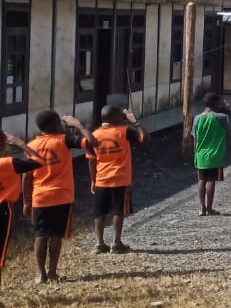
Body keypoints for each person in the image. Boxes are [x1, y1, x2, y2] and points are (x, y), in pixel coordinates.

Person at [23, 110, 96, 284]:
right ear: (56, 124)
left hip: (40, 197)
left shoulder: (31, 146)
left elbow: (27, 176)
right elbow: (93, 142)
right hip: (62, 196)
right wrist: (77, 124)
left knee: (41, 235)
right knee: (56, 235)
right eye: (61, 122)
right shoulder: (65, 141)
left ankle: (41, 275)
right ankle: (53, 273)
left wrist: (26, 201)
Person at [85, 105, 147, 254]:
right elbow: (144, 138)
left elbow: (91, 160)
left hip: (101, 179)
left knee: (99, 212)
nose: (122, 118)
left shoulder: (94, 135)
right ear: (115, 118)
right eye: (121, 116)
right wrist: (134, 121)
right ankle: (116, 243)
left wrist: (93, 179)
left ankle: (99, 243)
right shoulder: (124, 132)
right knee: (118, 211)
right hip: (120, 179)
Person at [0, 132, 42, 286]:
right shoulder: (8, 163)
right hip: (3, 209)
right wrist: (20, 143)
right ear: (3, 144)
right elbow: (39, 160)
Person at [193, 93, 231, 217]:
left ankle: (202, 208)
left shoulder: (197, 118)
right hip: (215, 155)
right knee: (211, 180)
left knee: (201, 180)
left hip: (200, 154)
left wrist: (195, 153)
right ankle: (210, 208)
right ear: (215, 104)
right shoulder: (220, 117)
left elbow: (195, 138)